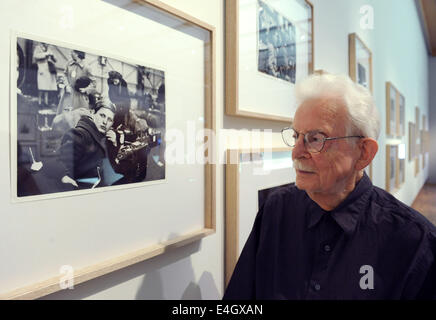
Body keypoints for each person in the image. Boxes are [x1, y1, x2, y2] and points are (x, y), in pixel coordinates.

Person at [223, 73, 436, 300]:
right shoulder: (277, 209)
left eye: (316, 139)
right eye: (296, 136)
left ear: (364, 153)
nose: (296, 152)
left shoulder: (414, 242)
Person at [58, 99, 116, 189]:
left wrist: (114, 144)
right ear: (92, 113)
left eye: (109, 119)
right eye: (102, 115)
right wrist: (64, 177)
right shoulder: (80, 135)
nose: (105, 122)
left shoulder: (101, 137)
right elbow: (60, 165)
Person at [56, 50, 93, 114]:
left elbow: (93, 83)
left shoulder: (87, 67)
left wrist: (85, 89)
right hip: (68, 94)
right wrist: (67, 85)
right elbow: (65, 75)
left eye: (72, 52)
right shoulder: (69, 63)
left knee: (79, 116)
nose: (70, 53)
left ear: (78, 54)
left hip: (80, 97)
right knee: (65, 115)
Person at [33, 42, 58, 106]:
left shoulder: (49, 49)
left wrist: (52, 56)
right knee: (41, 86)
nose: (48, 45)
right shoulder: (38, 48)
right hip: (41, 68)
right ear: (43, 43)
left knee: (47, 87)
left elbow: (55, 60)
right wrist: (45, 54)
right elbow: (35, 56)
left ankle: (46, 102)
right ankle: (39, 101)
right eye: (47, 44)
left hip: (48, 69)